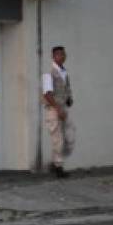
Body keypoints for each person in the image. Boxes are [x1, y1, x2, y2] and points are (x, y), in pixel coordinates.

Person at [43, 45, 75, 178]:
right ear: (54, 56)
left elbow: (66, 89)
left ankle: (56, 164)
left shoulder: (64, 72)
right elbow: (47, 95)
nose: (62, 56)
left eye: (63, 54)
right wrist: (58, 109)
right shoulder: (49, 74)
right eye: (59, 54)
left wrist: (69, 99)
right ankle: (58, 167)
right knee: (58, 139)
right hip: (54, 109)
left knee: (64, 138)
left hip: (61, 108)